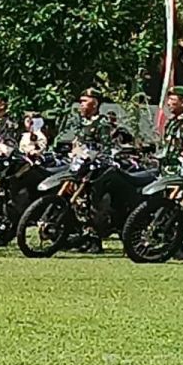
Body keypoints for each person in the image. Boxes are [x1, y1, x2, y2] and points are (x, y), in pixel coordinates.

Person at [69, 88, 115, 253]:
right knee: (80, 205)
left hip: (96, 170)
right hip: (80, 168)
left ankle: (96, 240)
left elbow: (106, 148)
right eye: (80, 101)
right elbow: (77, 142)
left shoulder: (102, 123)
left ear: (95, 103)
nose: (81, 105)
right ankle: (84, 237)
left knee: (95, 205)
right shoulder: (81, 122)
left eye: (85, 101)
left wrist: (94, 157)